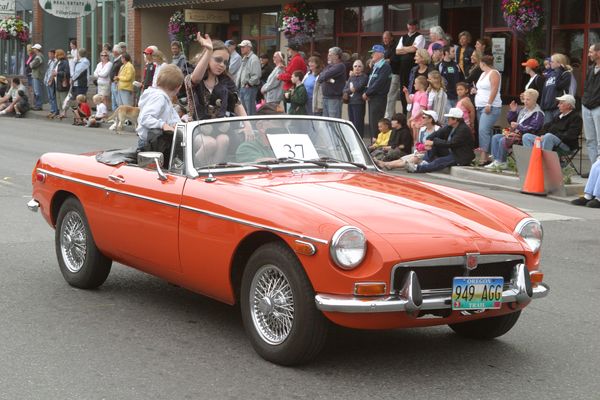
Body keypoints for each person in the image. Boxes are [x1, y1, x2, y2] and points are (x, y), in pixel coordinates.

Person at [187, 34, 250, 163]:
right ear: (208, 58)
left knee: (224, 140)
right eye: (218, 60)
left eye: (225, 62)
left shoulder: (226, 81)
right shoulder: (196, 77)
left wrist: (247, 124)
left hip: (220, 128)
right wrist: (209, 50)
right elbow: (195, 78)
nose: (222, 65)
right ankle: (194, 174)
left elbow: (237, 103)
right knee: (210, 144)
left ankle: (213, 175)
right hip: (197, 128)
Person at [487, 89, 544, 170]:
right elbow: (511, 121)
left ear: (534, 100)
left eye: (528, 99)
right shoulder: (523, 110)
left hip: (525, 136)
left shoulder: (538, 113)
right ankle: (496, 160)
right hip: (516, 134)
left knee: (504, 140)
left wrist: (518, 126)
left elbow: (534, 128)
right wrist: (513, 112)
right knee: (496, 137)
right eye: (525, 99)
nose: (525, 102)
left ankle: (502, 162)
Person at [407, 107, 475, 173]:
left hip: (460, 156)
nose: (447, 119)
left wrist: (433, 142)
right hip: (452, 152)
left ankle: (417, 168)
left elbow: (451, 143)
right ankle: (426, 161)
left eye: (449, 118)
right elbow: (436, 134)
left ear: (455, 120)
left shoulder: (463, 129)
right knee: (434, 143)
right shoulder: (450, 126)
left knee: (440, 161)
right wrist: (429, 140)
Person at [136, 64, 183, 151]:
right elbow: (145, 118)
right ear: (178, 88)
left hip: (156, 141)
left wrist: (179, 123)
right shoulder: (159, 97)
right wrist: (163, 125)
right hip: (150, 144)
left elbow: (169, 117)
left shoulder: (164, 98)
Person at [474, 54, 502, 165]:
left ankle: (483, 155)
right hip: (479, 105)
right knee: (486, 131)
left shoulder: (494, 73)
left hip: (490, 106)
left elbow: (494, 89)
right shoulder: (482, 74)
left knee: (483, 130)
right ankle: (491, 155)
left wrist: (489, 103)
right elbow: (482, 88)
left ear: (483, 63)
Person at [396, 19, 425, 114]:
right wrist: (408, 48)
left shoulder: (419, 36)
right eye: (409, 25)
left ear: (416, 26)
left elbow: (414, 49)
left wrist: (404, 48)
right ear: (407, 25)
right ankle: (405, 112)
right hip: (403, 68)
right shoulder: (403, 37)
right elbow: (397, 51)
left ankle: (413, 111)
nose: (411, 27)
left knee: (412, 88)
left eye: (413, 25)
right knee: (403, 90)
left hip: (413, 67)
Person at [363, 44, 392, 141]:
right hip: (373, 98)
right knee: (372, 121)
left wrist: (367, 93)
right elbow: (371, 81)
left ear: (380, 54)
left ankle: (377, 143)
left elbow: (378, 83)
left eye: (374, 53)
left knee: (376, 121)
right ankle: (374, 141)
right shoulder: (376, 66)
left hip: (379, 98)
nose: (372, 55)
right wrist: (368, 92)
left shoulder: (385, 66)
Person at [540, 53, 573, 124]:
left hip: (558, 107)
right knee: (547, 129)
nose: (550, 63)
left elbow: (558, 86)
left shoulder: (566, 74)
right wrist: (542, 105)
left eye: (552, 61)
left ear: (559, 63)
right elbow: (544, 90)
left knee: (556, 129)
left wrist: (559, 71)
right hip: (547, 108)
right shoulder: (550, 75)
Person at [582, 43, 600, 165]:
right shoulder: (590, 69)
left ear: (598, 53)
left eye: (591, 51)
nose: (589, 54)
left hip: (598, 107)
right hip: (586, 107)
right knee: (590, 140)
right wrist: (584, 101)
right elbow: (586, 87)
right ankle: (594, 169)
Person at [318, 46, 346, 119]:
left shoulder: (340, 66)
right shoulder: (329, 66)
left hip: (334, 99)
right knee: (326, 123)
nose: (328, 56)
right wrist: (326, 78)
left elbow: (324, 76)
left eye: (330, 55)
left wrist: (326, 78)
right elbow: (320, 78)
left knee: (334, 123)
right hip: (326, 98)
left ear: (336, 56)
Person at [344, 59, 368, 137]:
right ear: (353, 68)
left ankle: (359, 139)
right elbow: (344, 89)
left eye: (359, 66)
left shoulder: (364, 77)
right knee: (351, 122)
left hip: (359, 103)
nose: (357, 68)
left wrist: (350, 90)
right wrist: (350, 90)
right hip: (350, 102)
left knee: (358, 123)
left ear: (362, 68)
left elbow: (358, 87)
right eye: (355, 66)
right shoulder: (351, 77)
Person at [237, 40, 261, 115]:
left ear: (249, 48)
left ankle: (252, 126)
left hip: (249, 88)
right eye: (241, 47)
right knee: (244, 111)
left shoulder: (254, 58)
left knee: (250, 111)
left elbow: (257, 75)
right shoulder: (245, 58)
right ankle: (247, 126)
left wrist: (249, 84)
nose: (241, 49)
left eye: (243, 47)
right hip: (243, 88)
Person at [403, 75, 429, 142]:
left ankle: (418, 150)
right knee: (414, 138)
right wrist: (406, 93)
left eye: (415, 83)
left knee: (417, 138)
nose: (414, 85)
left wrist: (412, 118)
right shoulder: (416, 93)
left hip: (419, 121)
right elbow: (409, 101)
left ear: (421, 85)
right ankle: (415, 149)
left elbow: (422, 110)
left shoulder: (424, 95)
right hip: (414, 120)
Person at [382, 31, 400, 118]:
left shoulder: (396, 46)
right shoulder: (386, 47)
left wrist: (380, 61)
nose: (384, 40)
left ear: (391, 38)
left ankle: (388, 118)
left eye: (386, 38)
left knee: (391, 95)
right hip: (388, 75)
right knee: (388, 95)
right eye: (383, 38)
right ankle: (393, 116)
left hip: (395, 73)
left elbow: (392, 59)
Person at [53, 49, 70, 119]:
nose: (55, 55)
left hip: (62, 82)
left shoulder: (65, 62)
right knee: (58, 98)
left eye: (56, 53)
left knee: (63, 98)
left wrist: (57, 73)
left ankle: (64, 113)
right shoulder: (58, 62)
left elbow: (67, 72)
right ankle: (60, 112)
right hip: (57, 82)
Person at [29, 44, 44, 111]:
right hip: (36, 75)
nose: (33, 49)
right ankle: (37, 105)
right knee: (36, 91)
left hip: (37, 75)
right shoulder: (38, 56)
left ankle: (38, 105)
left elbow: (32, 65)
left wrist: (31, 64)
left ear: (37, 49)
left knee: (37, 91)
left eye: (34, 48)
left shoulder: (39, 56)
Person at [45, 49, 58, 118]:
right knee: (50, 97)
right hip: (47, 80)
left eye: (50, 54)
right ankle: (52, 110)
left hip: (52, 81)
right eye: (48, 54)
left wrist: (51, 80)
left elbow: (53, 72)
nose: (49, 56)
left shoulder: (56, 62)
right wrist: (46, 79)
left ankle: (55, 110)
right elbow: (48, 71)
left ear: (53, 54)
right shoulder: (49, 61)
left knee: (53, 96)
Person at [109, 45, 123, 110]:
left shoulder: (120, 60)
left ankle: (117, 116)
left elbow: (120, 71)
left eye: (113, 51)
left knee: (117, 99)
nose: (112, 53)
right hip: (113, 82)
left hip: (116, 82)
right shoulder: (115, 60)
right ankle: (115, 117)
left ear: (117, 52)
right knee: (113, 99)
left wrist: (117, 79)